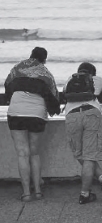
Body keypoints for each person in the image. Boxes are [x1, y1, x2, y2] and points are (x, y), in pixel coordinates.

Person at [4, 47, 60, 202]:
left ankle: (26, 193)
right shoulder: (45, 72)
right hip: (36, 113)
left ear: (31, 55)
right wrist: (54, 110)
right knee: (34, 153)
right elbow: (54, 94)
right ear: (44, 59)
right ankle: (38, 192)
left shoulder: (17, 68)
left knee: (22, 153)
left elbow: (7, 85)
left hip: (16, 112)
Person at [63, 62, 102, 204]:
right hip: (91, 113)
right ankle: (87, 191)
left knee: (80, 154)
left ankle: (99, 181)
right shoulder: (97, 79)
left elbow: (65, 93)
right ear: (93, 73)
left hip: (72, 115)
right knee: (89, 156)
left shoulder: (69, 79)